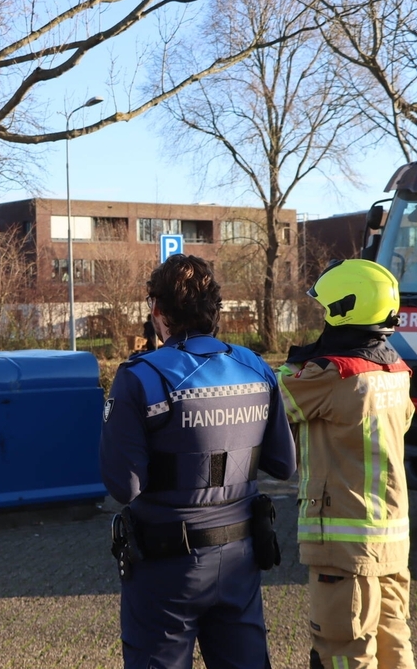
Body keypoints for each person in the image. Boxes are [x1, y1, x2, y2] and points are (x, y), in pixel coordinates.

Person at [100, 254, 297, 669]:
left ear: (158, 309)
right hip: (240, 560)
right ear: (215, 308)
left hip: (166, 568)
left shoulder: (141, 376)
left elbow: (125, 486)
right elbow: (284, 465)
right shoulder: (257, 368)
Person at [278, 259, 416, 669]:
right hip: (390, 538)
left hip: (343, 543)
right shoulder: (395, 369)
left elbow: (272, 401)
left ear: (343, 312)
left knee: (342, 650)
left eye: (325, 310)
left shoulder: (333, 375)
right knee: (393, 642)